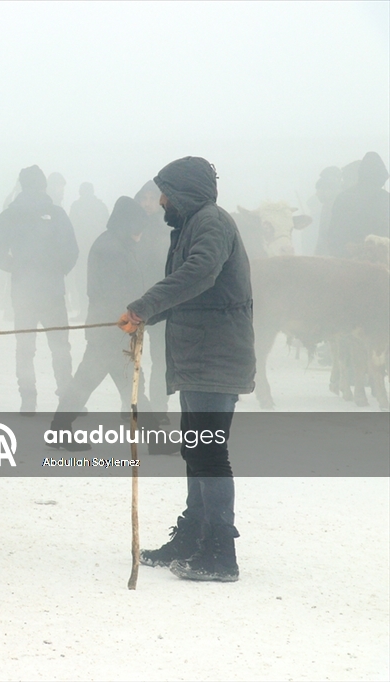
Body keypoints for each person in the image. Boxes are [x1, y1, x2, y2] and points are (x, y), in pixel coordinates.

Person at [121, 156, 254, 583]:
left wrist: (144, 306)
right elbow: (192, 290)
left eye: (165, 191)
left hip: (215, 356)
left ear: (183, 193)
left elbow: (200, 273)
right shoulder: (194, 224)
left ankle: (220, 550)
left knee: (210, 450)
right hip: (199, 355)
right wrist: (145, 317)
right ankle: (195, 533)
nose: (160, 201)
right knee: (198, 448)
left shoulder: (210, 222)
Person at [51, 197, 150, 431]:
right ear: (129, 225)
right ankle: (59, 429)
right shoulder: (111, 250)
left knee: (127, 384)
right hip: (111, 329)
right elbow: (112, 294)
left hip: (115, 329)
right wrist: (128, 323)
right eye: (138, 229)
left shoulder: (117, 244)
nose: (140, 235)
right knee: (116, 383)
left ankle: (59, 428)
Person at [0, 165, 78, 412]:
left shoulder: (10, 214)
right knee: (60, 347)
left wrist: (16, 267)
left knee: (26, 348)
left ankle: (28, 400)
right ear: (43, 185)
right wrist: (57, 270)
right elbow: (72, 251)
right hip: (51, 291)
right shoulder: (56, 213)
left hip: (24, 291)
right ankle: (66, 396)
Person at [134, 179, 172, 415]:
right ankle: (136, 403)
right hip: (135, 298)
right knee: (132, 356)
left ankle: (159, 407)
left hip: (160, 301)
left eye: (152, 198)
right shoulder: (129, 225)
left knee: (161, 359)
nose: (148, 204)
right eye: (144, 198)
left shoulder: (170, 226)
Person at [322, 152, 390, 257]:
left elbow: (333, 236)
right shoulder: (386, 199)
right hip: (379, 263)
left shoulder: (344, 197)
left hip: (349, 263)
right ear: (382, 176)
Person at [68, 182, 110, 319]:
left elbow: (71, 229)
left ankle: (86, 312)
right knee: (95, 281)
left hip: (82, 251)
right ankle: (95, 312)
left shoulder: (77, 206)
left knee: (82, 282)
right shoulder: (100, 207)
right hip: (97, 251)